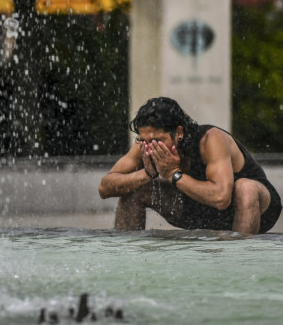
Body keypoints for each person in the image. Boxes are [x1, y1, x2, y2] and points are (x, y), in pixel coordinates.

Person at [98, 97, 282, 234]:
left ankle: (239, 268)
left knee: (246, 187)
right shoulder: (147, 145)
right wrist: (147, 174)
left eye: (158, 140)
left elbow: (221, 197)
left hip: (248, 207)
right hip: (193, 208)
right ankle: (126, 261)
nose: (151, 146)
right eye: (144, 140)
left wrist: (174, 175)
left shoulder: (211, 139)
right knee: (135, 190)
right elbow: (105, 188)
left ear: (179, 132)